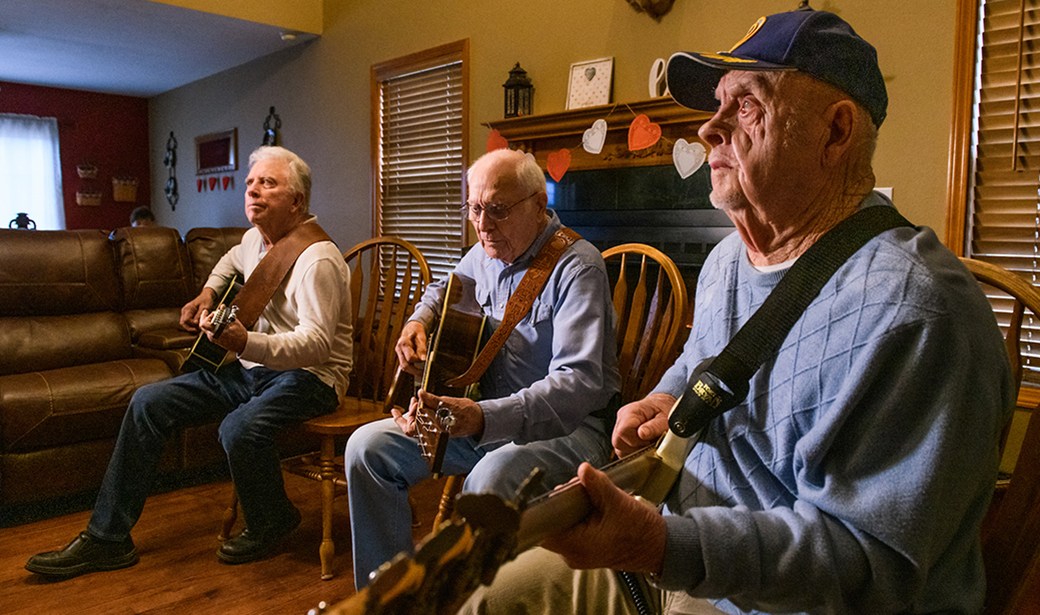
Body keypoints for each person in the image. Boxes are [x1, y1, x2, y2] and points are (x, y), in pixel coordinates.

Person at [460, 8, 1015, 615]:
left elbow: (868, 565)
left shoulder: (918, 312)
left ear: (835, 132)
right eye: (715, 106)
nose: (708, 130)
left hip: (784, 598)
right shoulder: (728, 261)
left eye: (746, 105)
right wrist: (667, 397)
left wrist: (659, 543)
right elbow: (706, 365)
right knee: (488, 600)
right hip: (686, 550)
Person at [25, 146, 354, 577]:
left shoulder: (318, 260)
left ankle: (274, 518)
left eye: (268, 184)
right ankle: (108, 539)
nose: (253, 190)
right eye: (251, 183)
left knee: (238, 428)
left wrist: (245, 342)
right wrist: (208, 293)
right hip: (255, 370)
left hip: (311, 377)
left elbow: (315, 346)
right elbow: (230, 261)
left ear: (297, 202)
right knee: (148, 401)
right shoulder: (255, 239)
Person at [344, 148, 621, 590]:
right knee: (367, 449)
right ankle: (389, 599)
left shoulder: (578, 266)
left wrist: (484, 418)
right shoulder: (485, 251)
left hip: (568, 431)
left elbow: (579, 384)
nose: (483, 224)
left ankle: (472, 603)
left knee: (489, 477)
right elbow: (443, 286)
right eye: (474, 208)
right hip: (480, 423)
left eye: (497, 210)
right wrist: (419, 320)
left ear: (538, 204)